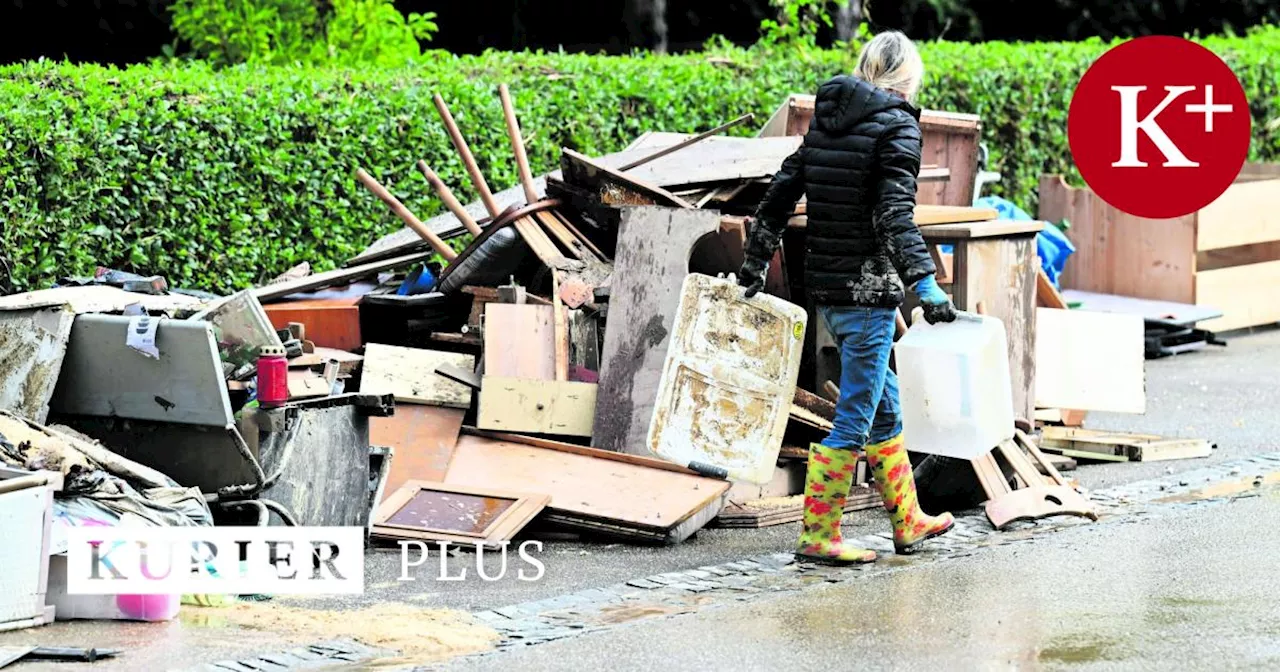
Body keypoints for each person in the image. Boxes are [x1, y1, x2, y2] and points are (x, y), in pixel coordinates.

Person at [737, 30, 958, 564]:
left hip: (831, 289)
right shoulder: (898, 126)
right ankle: (818, 536)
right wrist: (925, 283)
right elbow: (893, 215)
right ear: (909, 77)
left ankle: (907, 520)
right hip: (866, 292)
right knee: (856, 414)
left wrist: (753, 263)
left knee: (885, 403)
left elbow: (777, 196)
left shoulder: (828, 122)